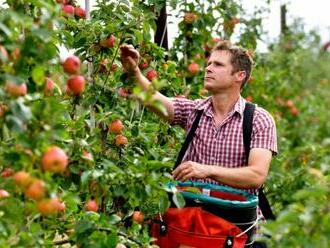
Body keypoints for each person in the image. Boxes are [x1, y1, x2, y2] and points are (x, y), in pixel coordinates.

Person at [120, 40, 277, 246]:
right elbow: (154, 99)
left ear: (240, 76)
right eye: (209, 63)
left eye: (218, 65)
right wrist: (135, 72)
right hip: (193, 228)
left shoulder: (258, 119)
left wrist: (206, 170)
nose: (208, 68)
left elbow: (256, 175)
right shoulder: (194, 112)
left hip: (237, 229)